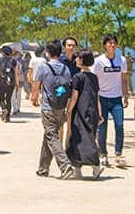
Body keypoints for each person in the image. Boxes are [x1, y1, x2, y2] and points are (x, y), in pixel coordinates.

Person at [31, 40, 74, 179]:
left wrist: (34, 97)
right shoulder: (65, 69)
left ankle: (65, 165)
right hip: (60, 107)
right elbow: (68, 89)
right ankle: (43, 168)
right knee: (49, 135)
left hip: (48, 107)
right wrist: (67, 109)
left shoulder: (44, 67)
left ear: (47, 53)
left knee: (52, 136)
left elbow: (36, 84)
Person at [65, 49, 103, 180]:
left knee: (78, 139)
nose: (75, 59)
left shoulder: (77, 77)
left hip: (80, 111)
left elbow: (74, 97)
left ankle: (90, 165)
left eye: (78, 58)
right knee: (90, 137)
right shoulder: (94, 77)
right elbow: (97, 96)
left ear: (82, 60)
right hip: (92, 111)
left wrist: (68, 111)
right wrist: (100, 113)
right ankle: (85, 168)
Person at [93, 34, 129, 167]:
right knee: (102, 128)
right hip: (102, 98)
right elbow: (93, 79)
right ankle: (103, 154)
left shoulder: (122, 60)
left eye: (114, 43)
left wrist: (125, 95)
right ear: (105, 46)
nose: (112, 45)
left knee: (119, 126)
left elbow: (123, 79)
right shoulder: (98, 61)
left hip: (116, 98)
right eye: (109, 43)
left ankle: (118, 154)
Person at [0, 45, 21, 122]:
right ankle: (8, 117)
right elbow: (16, 73)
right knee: (8, 99)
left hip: (1, 81)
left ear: (3, 52)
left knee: (1, 98)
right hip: (11, 82)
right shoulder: (14, 61)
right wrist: (17, 84)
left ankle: (3, 108)